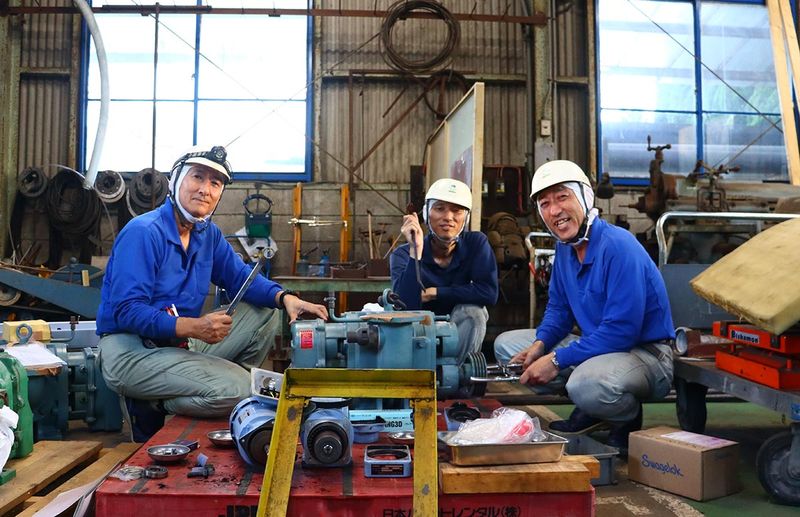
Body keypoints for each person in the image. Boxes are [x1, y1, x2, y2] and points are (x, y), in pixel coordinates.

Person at [96, 145, 328, 442]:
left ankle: (211, 389)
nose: (205, 189)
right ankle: (156, 403)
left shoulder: (207, 235)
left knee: (265, 310)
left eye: (215, 183)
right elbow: (127, 311)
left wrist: (286, 298)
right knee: (242, 388)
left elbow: (241, 279)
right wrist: (195, 327)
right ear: (176, 180)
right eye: (197, 177)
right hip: (131, 352)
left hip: (177, 344)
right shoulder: (144, 232)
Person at [493, 160, 674, 451]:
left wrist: (556, 360)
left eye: (563, 197)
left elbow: (621, 332)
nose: (555, 210)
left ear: (585, 197)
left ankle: (624, 416)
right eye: (545, 204)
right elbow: (559, 310)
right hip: (602, 350)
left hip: (646, 354)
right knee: (506, 347)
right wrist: (540, 345)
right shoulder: (565, 250)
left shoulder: (618, 246)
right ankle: (592, 405)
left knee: (585, 384)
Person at [390, 178, 498, 364]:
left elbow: (489, 293)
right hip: (417, 335)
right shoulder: (403, 254)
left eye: (457, 210)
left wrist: (436, 293)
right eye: (439, 208)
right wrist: (415, 250)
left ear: (466, 217)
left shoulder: (476, 244)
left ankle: (457, 372)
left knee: (474, 312)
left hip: (459, 334)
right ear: (426, 213)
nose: (448, 217)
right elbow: (404, 306)